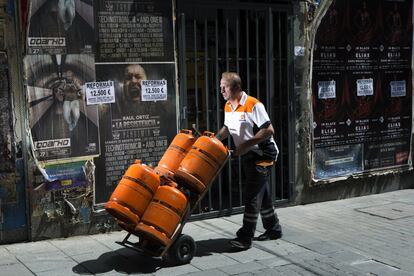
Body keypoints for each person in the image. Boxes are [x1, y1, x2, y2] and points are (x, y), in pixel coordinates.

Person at [216, 72, 282, 250]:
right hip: (248, 154)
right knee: (262, 192)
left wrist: (245, 145)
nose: (221, 89)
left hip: (263, 155)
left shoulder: (253, 104)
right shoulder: (228, 106)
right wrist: (214, 140)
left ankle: (245, 238)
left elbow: (269, 130)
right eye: (221, 86)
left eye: (225, 86)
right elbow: (227, 128)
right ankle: (274, 229)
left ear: (236, 88)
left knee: (252, 195)